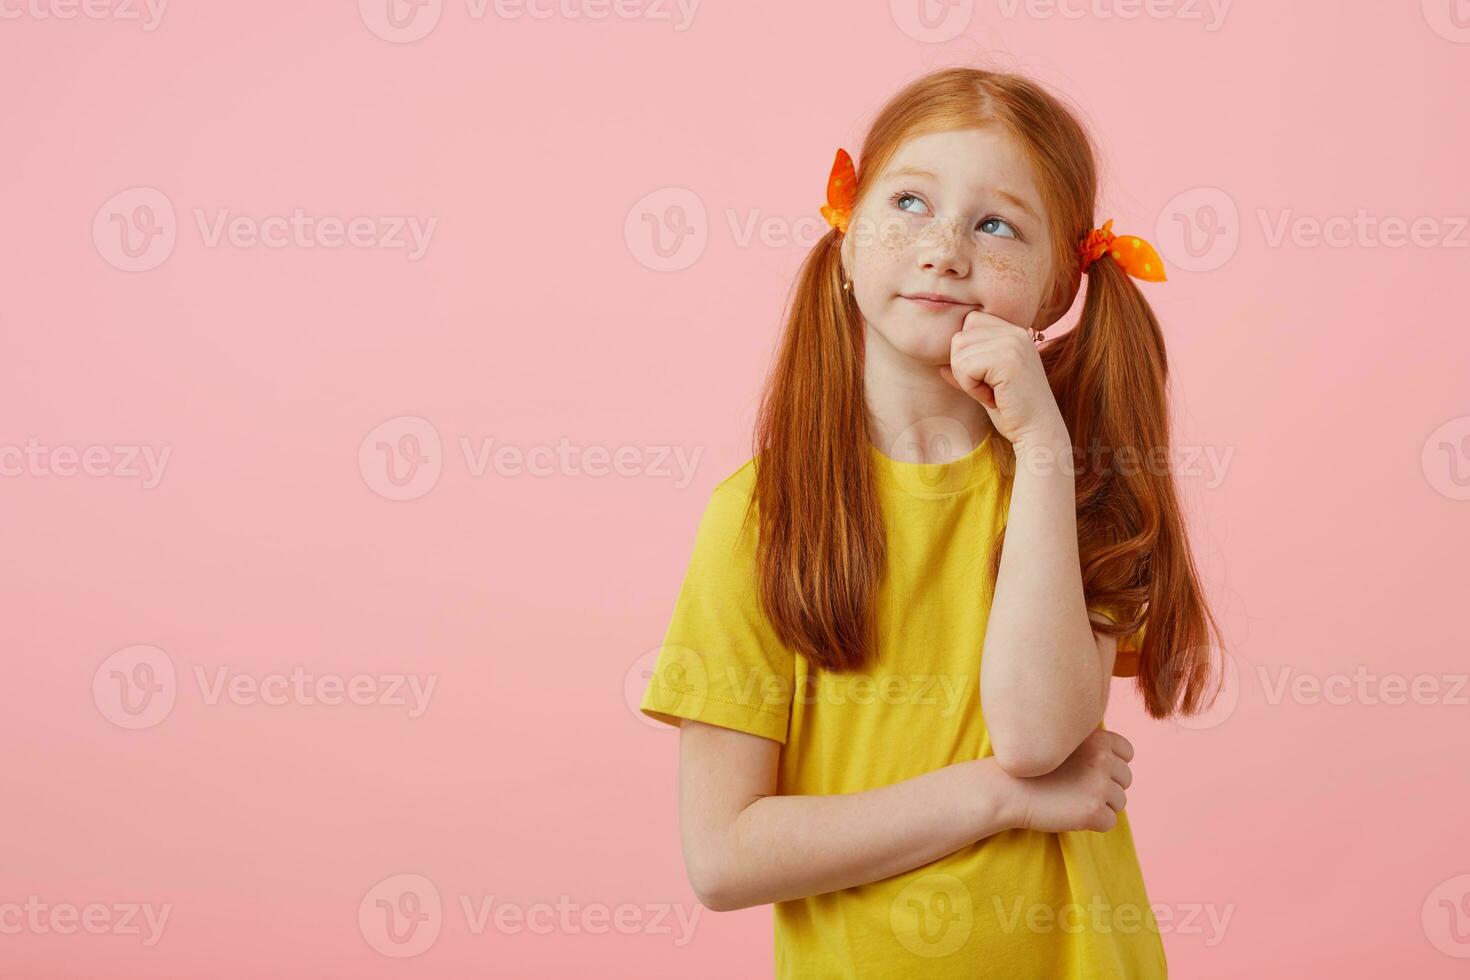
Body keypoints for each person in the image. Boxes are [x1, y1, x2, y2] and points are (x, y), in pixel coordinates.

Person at [638, 65, 1224, 979]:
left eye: (996, 225)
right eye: (909, 202)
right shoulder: (760, 517)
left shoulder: (1075, 492)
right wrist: (998, 798)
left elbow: (1038, 736)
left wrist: (1040, 450)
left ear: (1057, 285)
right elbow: (724, 855)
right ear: (846, 238)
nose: (945, 248)